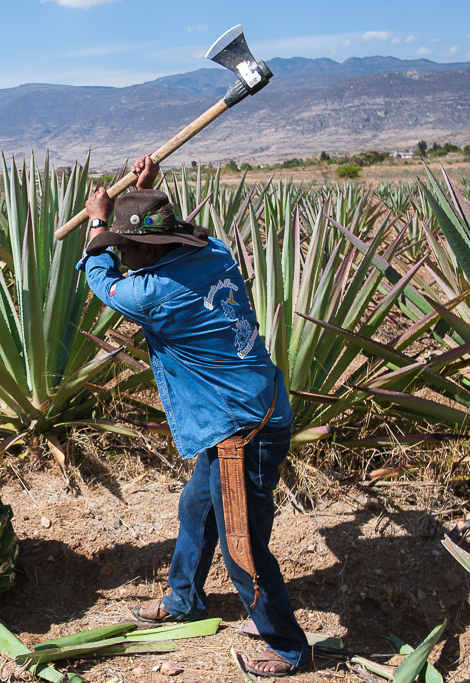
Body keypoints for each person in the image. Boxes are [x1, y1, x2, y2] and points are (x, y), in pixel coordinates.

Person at [76, 155, 310, 677]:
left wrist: (97, 220)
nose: (123, 257)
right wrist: (144, 195)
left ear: (143, 252)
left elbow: (98, 275)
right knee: (196, 507)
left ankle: (287, 646)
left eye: (126, 249)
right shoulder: (216, 253)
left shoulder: (154, 293)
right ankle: (185, 598)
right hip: (252, 406)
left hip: (239, 428)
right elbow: (157, 235)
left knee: (242, 547)